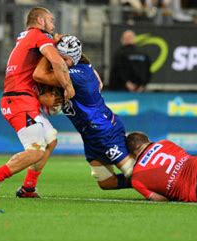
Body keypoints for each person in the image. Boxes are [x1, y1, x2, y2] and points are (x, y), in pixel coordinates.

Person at [0, 7, 75, 199]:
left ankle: (28, 188)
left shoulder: (28, 37)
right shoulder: (38, 35)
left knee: (51, 141)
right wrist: (68, 86)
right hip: (19, 100)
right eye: (51, 20)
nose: (53, 25)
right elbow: (56, 61)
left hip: (21, 98)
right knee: (36, 151)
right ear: (40, 20)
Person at [33, 35, 135, 190]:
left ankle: (170, 183)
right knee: (107, 183)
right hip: (90, 135)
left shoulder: (76, 74)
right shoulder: (78, 69)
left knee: (133, 172)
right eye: (57, 59)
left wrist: (49, 47)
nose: (59, 63)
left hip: (103, 131)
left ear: (74, 58)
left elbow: (39, 75)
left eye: (63, 59)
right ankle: (147, 181)